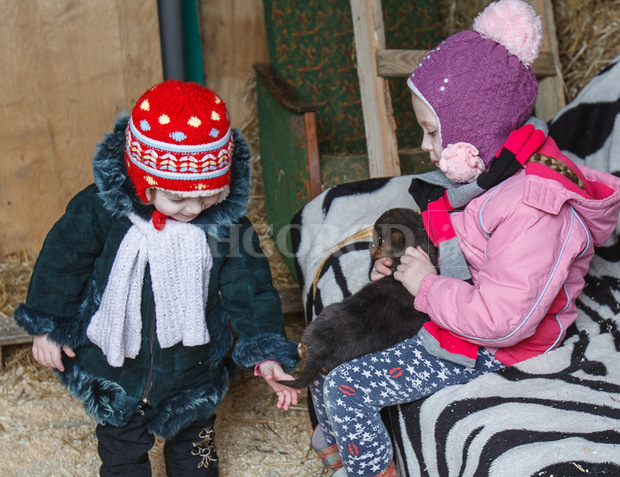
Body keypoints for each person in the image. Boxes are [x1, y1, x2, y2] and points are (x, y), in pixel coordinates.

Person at [306, 0, 620, 476]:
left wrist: (427, 286)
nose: (426, 148)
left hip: (501, 338)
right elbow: (466, 235)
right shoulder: (493, 173)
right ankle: (336, 447)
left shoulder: (535, 208)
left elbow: (503, 320)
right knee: (347, 344)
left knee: (348, 385)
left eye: (433, 133)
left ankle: (370, 468)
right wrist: (403, 268)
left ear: (478, 129)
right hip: (469, 299)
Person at [14, 79, 301, 477]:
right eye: (178, 197)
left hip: (193, 367)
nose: (195, 208)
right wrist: (48, 326)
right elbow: (63, 262)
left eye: (209, 195)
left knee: (196, 456)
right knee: (121, 454)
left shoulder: (228, 227)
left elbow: (250, 290)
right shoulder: (101, 211)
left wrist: (266, 350)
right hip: (117, 366)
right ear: (142, 182)